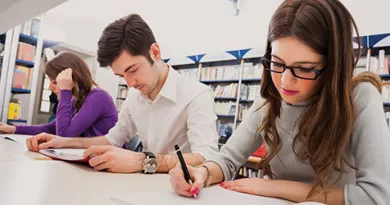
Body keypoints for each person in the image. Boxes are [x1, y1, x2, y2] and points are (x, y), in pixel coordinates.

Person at [168, 0, 390, 204]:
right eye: (276, 63)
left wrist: (275, 187)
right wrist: (203, 172)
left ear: (333, 66)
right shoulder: (267, 103)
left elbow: (376, 195)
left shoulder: (360, 97)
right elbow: (226, 159)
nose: (285, 81)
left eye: (304, 68)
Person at [25, 14, 219, 174]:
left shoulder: (196, 94)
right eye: (121, 75)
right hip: (143, 186)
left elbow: (207, 157)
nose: (130, 83)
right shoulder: (135, 96)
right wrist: (63, 142)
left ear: (155, 52)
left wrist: (144, 161)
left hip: (185, 190)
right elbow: (112, 139)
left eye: (133, 70)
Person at [0, 52, 118, 137]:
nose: (50, 87)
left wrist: (65, 91)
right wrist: (13, 129)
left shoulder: (98, 97)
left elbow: (64, 135)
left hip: (111, 165)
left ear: (73, 79)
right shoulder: (77, 100)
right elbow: (51, 128)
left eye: (55, 82)